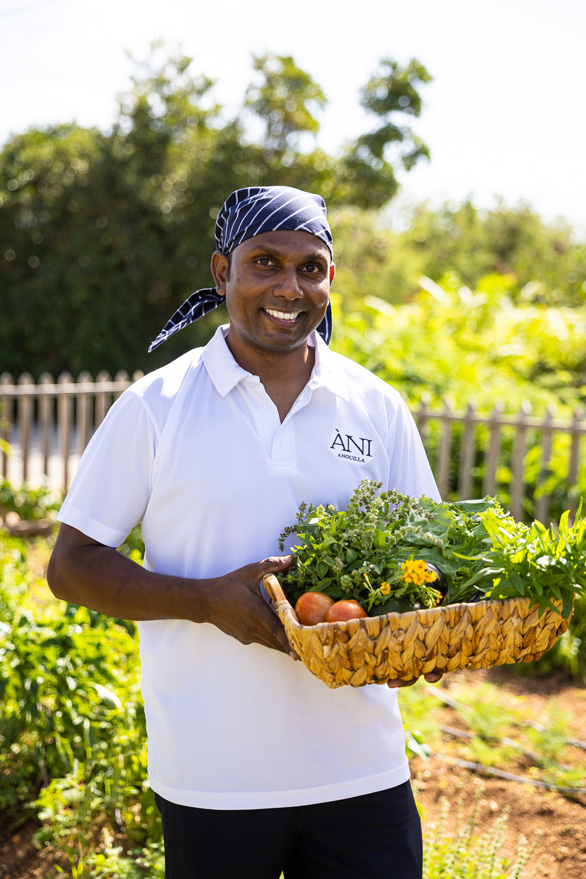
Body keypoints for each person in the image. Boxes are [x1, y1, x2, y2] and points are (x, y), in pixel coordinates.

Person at [47, 185, 442, 879]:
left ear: (329, 280)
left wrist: (421, 638)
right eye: (266, 262)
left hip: (362, 772)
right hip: (214, 778)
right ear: (221, 271)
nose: (290, 286)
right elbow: (71, 565)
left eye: (311, 267)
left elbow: (431, 566)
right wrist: (203, 600)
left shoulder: (376, 406)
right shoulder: (157, 407)